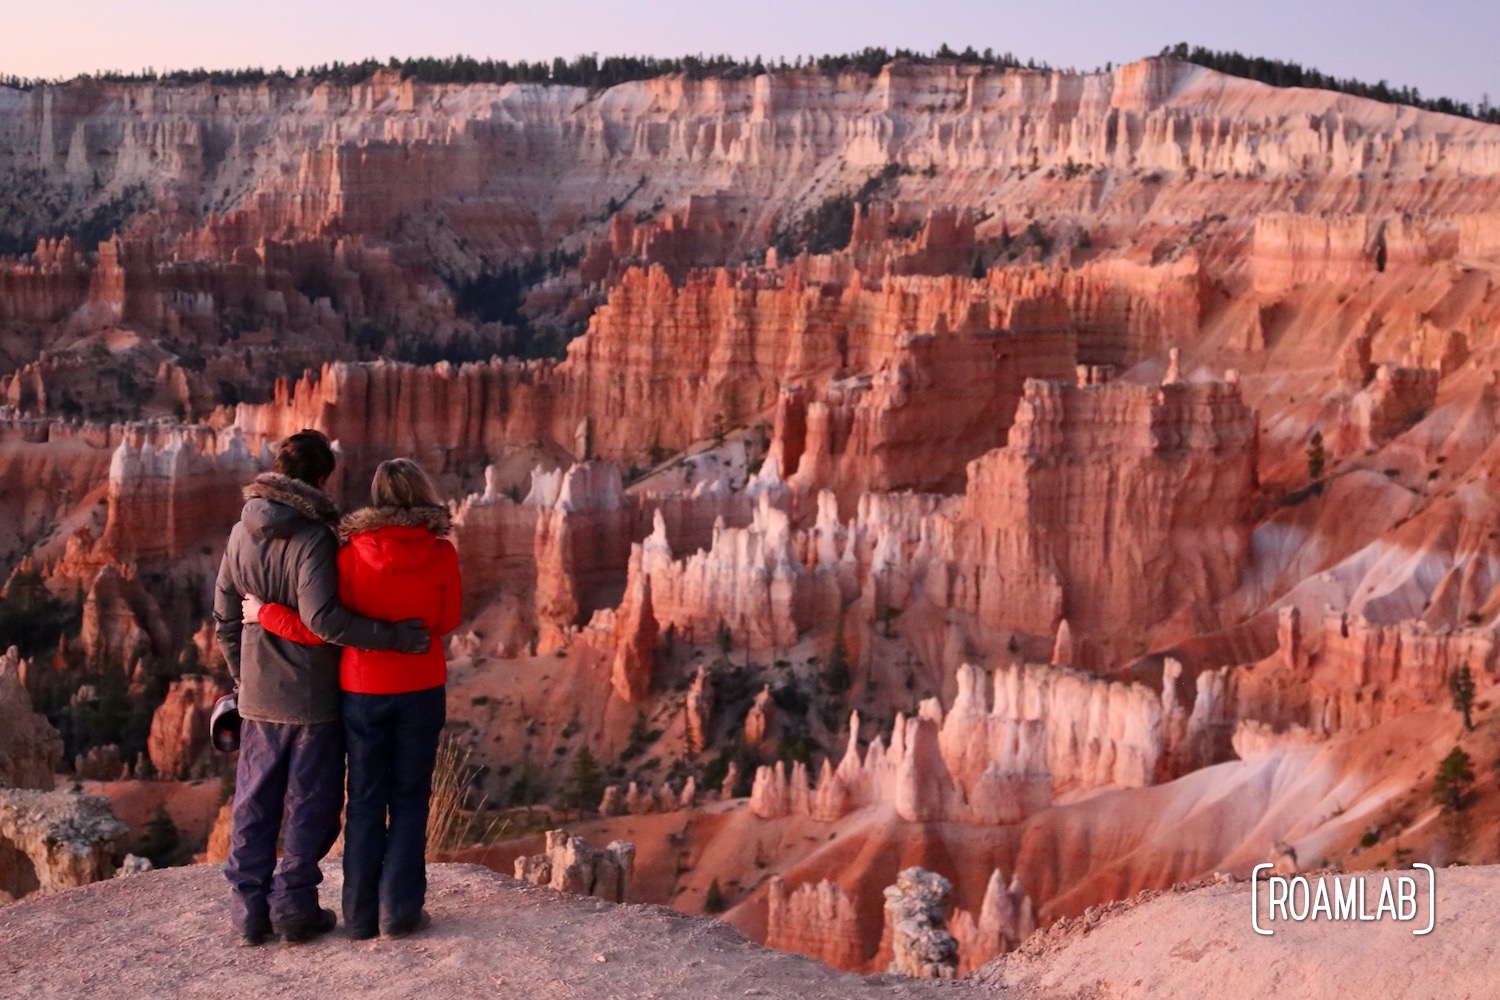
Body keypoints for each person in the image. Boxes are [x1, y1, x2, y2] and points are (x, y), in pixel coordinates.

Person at [214, 431, 431, 947]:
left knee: (254, 804)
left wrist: (245, 679)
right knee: (309, 805)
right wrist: (393, 637)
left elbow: (224, 616)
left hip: (258, 699)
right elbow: (325, 621)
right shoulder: (314, 537)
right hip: (311, 698)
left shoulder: (238, 533)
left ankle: (248, 912)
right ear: (321, 478)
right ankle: (292, 909)